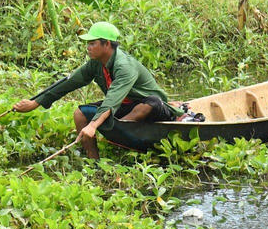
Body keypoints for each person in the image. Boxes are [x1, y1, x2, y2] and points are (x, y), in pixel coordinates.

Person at [12, 21, 178, 159]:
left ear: (107, 44)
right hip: (124, 107)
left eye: (92, 43)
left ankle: (118, 134)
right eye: (88, 44)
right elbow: (68, 83)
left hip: (151, 108)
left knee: (148, 104)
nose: (88, 48)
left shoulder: (124, 66)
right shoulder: (95, 63)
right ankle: (94, 161)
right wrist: (35, 103)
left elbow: (112, 99)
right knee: (80, 114)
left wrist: (93, 126)